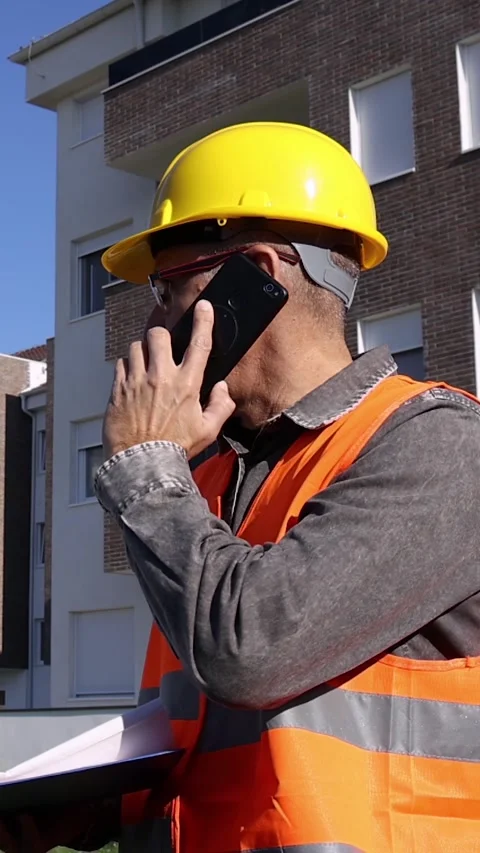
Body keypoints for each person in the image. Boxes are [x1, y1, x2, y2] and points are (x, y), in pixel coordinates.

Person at [3, 121, 480, 852]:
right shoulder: (211, 475)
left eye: (166, 288)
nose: (152, 323)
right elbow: (220, 734)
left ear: (257, 273)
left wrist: (148, 466)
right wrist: (100, 807)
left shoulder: (438, 442)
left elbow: (249, 649)